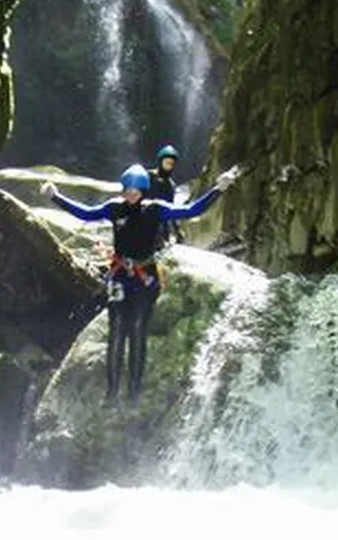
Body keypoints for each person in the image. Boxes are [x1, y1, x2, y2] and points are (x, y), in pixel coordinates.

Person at [40, 162, 241, 406]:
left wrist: (218, 189)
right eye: (127, 190)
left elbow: (191, 210)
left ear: (143, 190)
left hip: (146, 277)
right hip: (120, 277)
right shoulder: (114, 208)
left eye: (135, 190)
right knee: (117, 331)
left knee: (137, 330)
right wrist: (55, 197)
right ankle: (112, 393)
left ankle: (133, 392)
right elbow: (86, 213)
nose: (131, 194)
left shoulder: (155, 209)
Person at [147, 144, 184, 248]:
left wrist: (177, 230)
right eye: (167, 163)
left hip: (162, 226)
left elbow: (171, 207)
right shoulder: (148, 176)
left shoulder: (170, 185)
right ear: (160, 162)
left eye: (171, 164)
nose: (169, 166)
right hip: (145, 220)